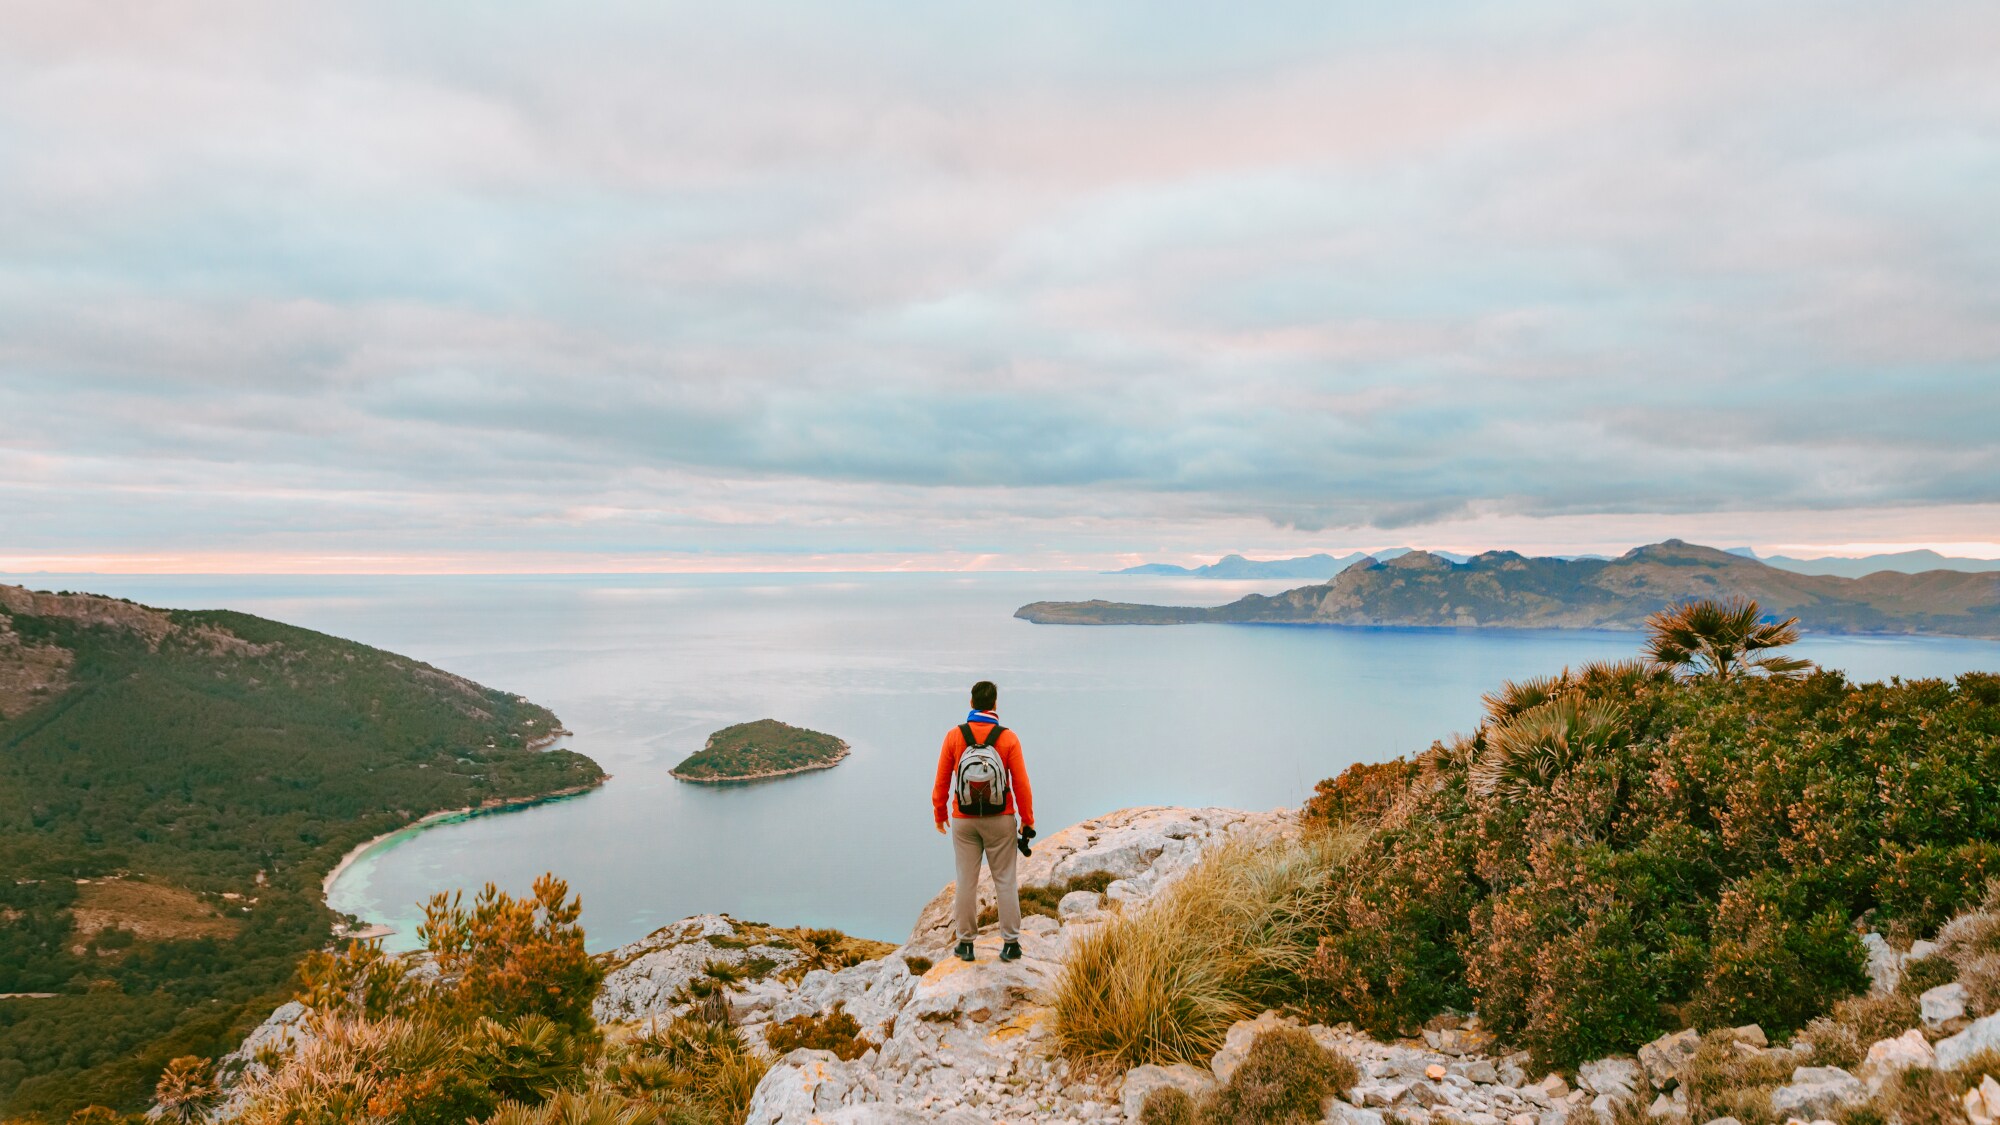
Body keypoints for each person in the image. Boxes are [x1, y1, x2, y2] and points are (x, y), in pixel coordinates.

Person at [931, 680, 1034, 963]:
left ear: (971, 703)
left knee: (966, 881)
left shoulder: (954, 736)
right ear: (995, 704)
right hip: (1001, 819)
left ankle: (965, 944)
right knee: (1005, 880)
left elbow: (942, 781)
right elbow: (1022, 784)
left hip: (964, 820)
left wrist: (940, 814)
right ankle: (1011, 944)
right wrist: (1027, 820)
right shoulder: (1008, 738)